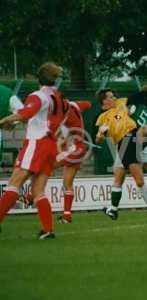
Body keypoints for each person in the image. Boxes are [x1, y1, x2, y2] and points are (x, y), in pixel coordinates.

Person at [0, 62, 67, 239]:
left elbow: (26, 114)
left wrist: (4, 120)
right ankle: (48, 229)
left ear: (39, 77)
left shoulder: (38, 95)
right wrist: (14, 121)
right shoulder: (58, 97)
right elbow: (37, 117)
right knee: (38, 190)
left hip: (37, 142)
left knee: (15, 182)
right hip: (50, 145)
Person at [95, 87, 147, 221]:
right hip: (124, 145)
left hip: (133, 138)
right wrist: (101, 133)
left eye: (114, 96)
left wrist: (146, 91)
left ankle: (115, 209)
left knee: (142, 131)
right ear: (104, 101)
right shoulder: (102, 118)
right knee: (136, 180)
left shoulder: (121, 103)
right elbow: (97, 139)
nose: (114, 98)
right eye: (111, 97)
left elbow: (139, 96)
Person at [55, 100, 92, 223]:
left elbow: (62, 138)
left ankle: (29, 197)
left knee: (47, 166)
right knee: (67, 183)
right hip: (79, 149)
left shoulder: (63, 116)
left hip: (74, 149)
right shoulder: (74, 105)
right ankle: (67, 215)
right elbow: (88, 104)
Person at [0, 85, 24, 163]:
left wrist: (8, 121)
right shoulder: (6, 92)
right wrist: (10, 122)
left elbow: (21, 112)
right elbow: (21, 111)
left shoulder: (6, 92)